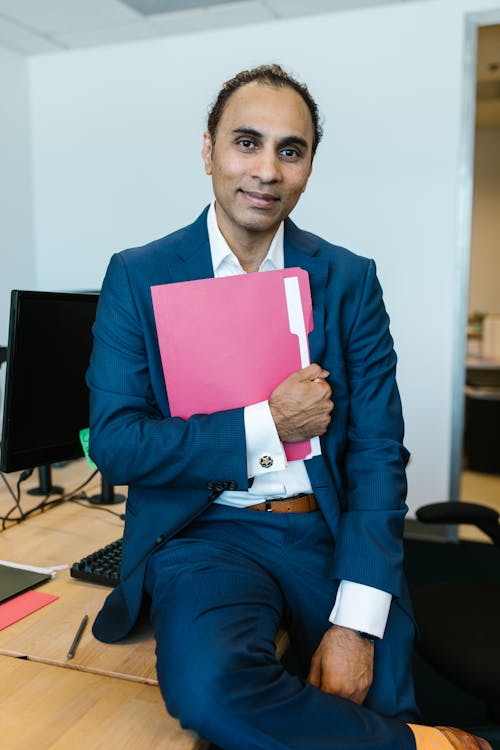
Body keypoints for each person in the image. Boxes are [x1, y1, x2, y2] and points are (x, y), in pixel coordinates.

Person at [87, 65, 491, 750]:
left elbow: (377, 455)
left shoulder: (348, 279)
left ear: (308, 166)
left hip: (324, 532)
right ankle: (434, 747)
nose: (267, 170)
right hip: (206, 531)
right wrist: (267, 425)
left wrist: (357, 622)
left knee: (373, 687)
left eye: (291, 149)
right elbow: (117, 444)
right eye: (247, 142)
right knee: (210, 690)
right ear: (208, 149)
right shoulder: (139, 274)